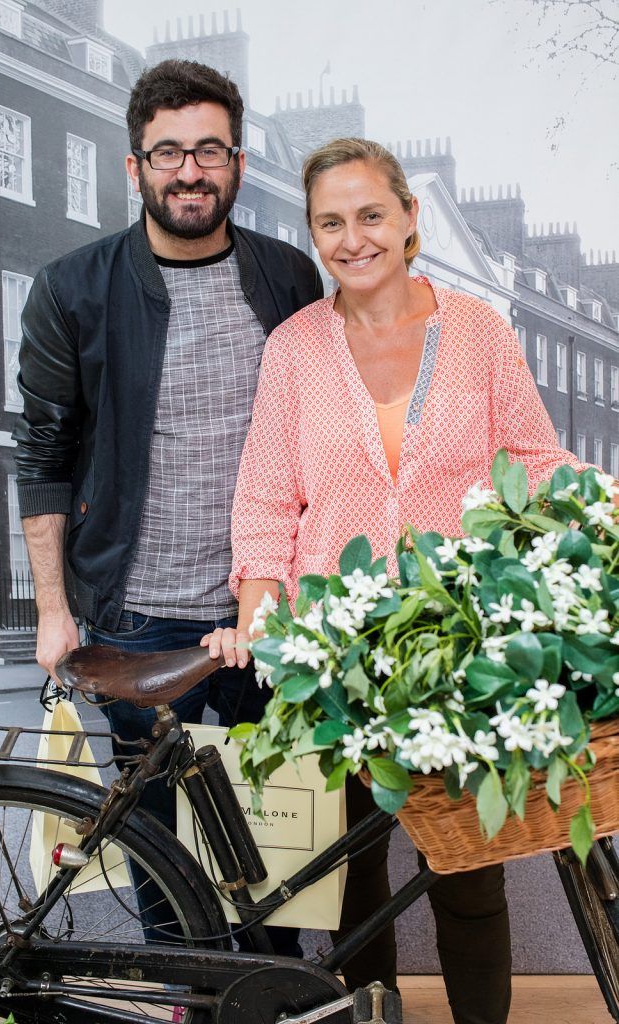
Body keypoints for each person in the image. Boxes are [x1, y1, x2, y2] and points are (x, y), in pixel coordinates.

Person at [203, 138, 590, 1023]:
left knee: (464, 866)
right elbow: (265, 506)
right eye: (329, 223)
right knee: (356, 873)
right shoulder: (295, 350)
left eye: (370, 215)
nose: (352, 239)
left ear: (409, 218)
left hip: (455, 642)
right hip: (332, 650)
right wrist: (262, 622)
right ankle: (371, 1016)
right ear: (312, 233)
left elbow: (535, 459)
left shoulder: (482, 333)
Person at [13, 59, 322, 955]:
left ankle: (273, 1003)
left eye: (210, 151)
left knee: (282, 851)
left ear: (237, 159)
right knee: (161, 859)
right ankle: (188, 1000)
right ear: (135, 165)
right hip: (137, 620)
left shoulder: (286, 277)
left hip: (266, 612)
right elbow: (44, 453)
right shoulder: (73, 288)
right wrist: (52, 610)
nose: (191, 172)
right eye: (169, 153)